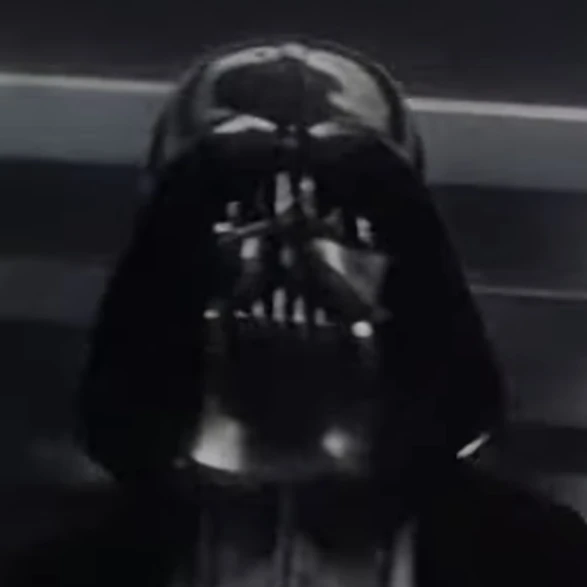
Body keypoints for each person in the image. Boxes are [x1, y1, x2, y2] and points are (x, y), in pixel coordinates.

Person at [5, 37, 587, 587]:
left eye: (341, 218)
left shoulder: (544, 560)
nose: (290, 253)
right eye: (242, 211)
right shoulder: (61, 566)